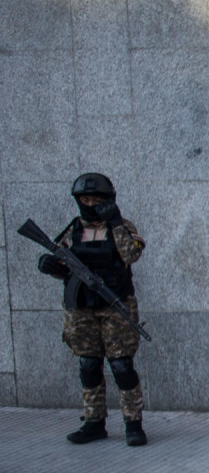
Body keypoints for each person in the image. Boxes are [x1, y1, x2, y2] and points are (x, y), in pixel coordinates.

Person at [37, 173, 148, 446]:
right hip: (82, 309)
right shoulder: (74, 229)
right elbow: (60, 257)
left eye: (96, 199)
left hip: (115, 306)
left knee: (122, 365)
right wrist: (49, 265)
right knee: (88, 364)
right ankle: (93, 421)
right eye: (85, 200)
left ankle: (133, 423)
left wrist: (115, 222)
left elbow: (131, 253)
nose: (90, 204)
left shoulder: (121, 227)